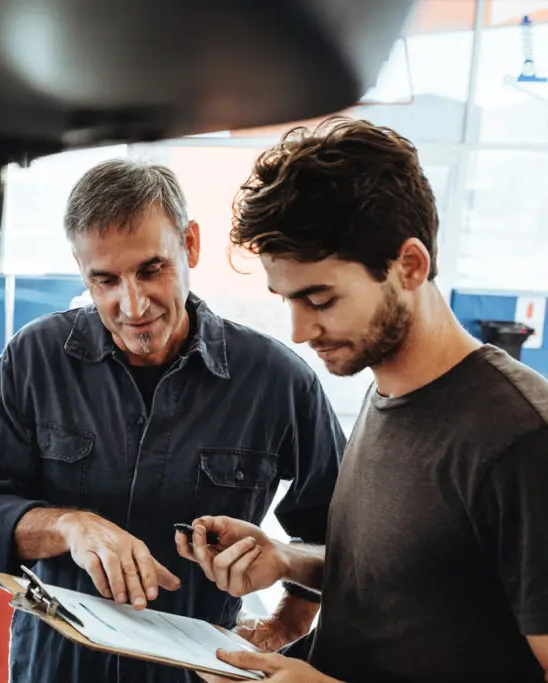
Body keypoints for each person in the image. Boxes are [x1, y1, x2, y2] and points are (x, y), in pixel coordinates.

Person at [0, 158, 346, 683]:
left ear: (191, 244)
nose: (131, 305)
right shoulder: (34, 358)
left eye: (152, 269)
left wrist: (280, 627)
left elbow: (337, 542)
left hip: (199, 674)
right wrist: (69, 526)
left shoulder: (278, 381)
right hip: (55, 670)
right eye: (104, 280)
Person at [183, 118, 548, 683]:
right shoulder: (387, 394)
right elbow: (418, 581)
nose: (300, 331)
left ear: (410, 266)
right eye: (288, 301)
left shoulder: (522, 440)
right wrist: (285, 558)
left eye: (321, 299)